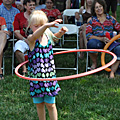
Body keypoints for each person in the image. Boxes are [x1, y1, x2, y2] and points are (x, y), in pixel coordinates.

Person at [27, 10, 68, 120]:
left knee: (51, 104)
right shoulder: (31, 39)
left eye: (42, 25)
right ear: (30, 26)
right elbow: (36, 34)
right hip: (37, 79)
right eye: (36, 26)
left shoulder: (47, 36)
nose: (40, 28)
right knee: (39, 104)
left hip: (49, 77)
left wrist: (61, 32)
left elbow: (54, 38)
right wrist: (46, 25)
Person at [86, 0, 120, 78]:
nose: (99, 9)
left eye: (100, 6)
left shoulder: (110, 18)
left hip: (111, 41)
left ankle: (112, 72)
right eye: (96, 7)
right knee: (91, 43)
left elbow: (119, 28)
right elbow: (88, 35)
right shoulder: (91, 20)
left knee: (119, 49)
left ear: (104, 7)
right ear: (94, 9)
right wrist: (101, 39)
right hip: (98, 41)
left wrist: (115, 37)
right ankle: (94, 64)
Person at [14, 0, 36, 76]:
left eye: (33, 5)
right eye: (30, 5)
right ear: (25, 6)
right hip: (23, 39)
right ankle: (24, 68)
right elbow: (16, 32)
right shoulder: (18, 16)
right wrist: (25, 40)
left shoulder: (38, 16)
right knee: (18, 49)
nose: (32, 7)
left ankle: (36, 68)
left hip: (36, 40)